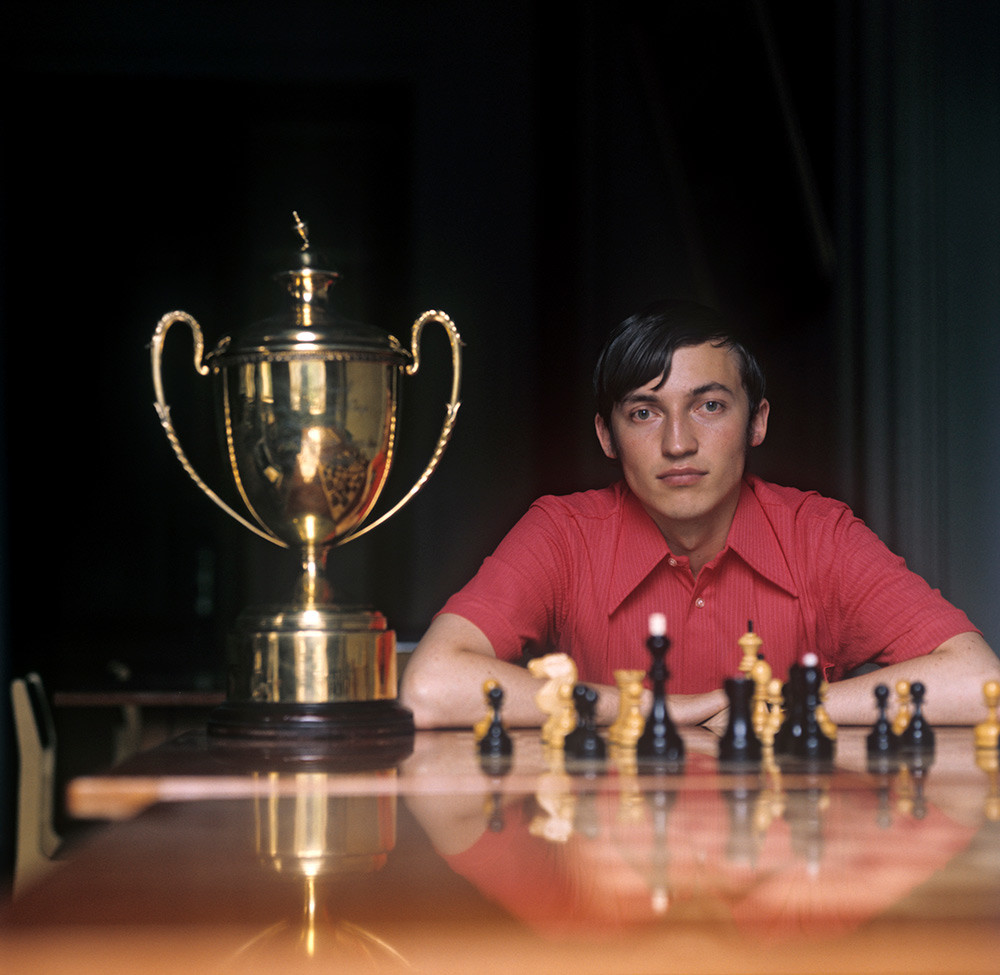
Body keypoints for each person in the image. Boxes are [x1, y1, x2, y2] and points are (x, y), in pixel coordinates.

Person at [400, 300, 1000, 729]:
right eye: (644, 413)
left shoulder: (818, 535)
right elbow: (429, 687)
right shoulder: (563, 534)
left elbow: (980, 684)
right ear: (607, 436)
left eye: (709, 405)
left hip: (785, 876)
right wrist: (650, 709)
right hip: (614, 881)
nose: (678, 443)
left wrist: (775, 708)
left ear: (757, 421)